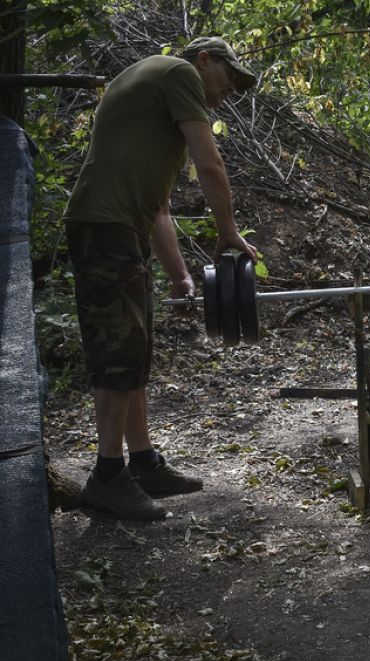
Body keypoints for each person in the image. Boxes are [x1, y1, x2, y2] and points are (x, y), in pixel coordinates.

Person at [64, 37, 259, 520]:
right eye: (228, 77)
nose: (228, 90)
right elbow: (210, 164)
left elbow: (159, 207)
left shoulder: (155, 93)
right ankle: (107, 476)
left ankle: (143, 462)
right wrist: (228, 231)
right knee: (119, 352)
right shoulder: (179, 74)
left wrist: (178, 274)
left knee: (137, 345)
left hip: (119, 227)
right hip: (104, 228)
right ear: (204, 60)